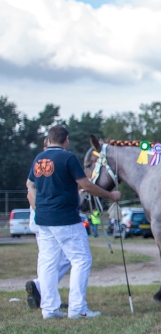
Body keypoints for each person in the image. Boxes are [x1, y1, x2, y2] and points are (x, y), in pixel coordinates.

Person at [26, 125, 121, 319]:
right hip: (65, 218)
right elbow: (85, 184)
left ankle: (50, 309)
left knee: (48, 263)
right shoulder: (68, 158)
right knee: (81, 259)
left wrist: (38, 208)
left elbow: (30, 186)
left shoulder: (38, 159)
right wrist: (110, 195)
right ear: (66, 140)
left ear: (49, 139)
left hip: (43, 220)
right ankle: (77, 308)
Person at [24, 207, 71, 310]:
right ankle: (41, 288)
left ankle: (42, 293)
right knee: (60, 259)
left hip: (40, 217)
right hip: (48, 218)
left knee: (46, 259)